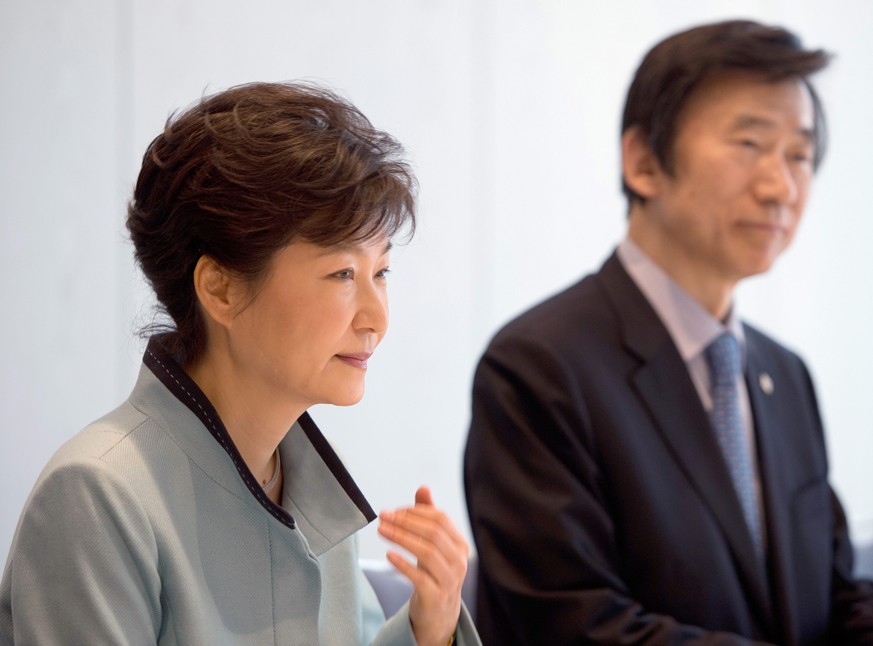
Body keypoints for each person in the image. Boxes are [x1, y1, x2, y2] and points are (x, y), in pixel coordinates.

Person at [1, 81, 479, 645]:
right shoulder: (98, 496)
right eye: (342, 274)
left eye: (381, 273)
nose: (376, 318)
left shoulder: (310, 486)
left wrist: (432, 624)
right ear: (220, 289)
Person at [464, 19, 873, 645]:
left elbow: (837, 594)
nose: (781, 187)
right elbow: (573, 624)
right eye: (749, 144)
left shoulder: (784, 374)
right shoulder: (538, 365)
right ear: (644, 162)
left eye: (799, 155)